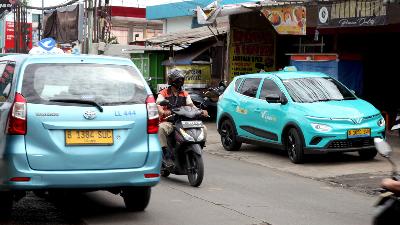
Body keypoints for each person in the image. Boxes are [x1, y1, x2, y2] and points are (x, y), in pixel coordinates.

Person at [157, 68, 208, 167]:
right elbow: (158, 105)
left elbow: (192, 106)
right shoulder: (163, 93)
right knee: (161, 129)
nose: (180, 82)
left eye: (181, 79)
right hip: (170, 121)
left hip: (184, 122)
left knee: (203, 128)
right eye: (178, 80)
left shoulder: (185, 94)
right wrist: (163, 111)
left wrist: (201, 111)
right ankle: (166, 155)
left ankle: (198, 147)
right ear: (172, 81)